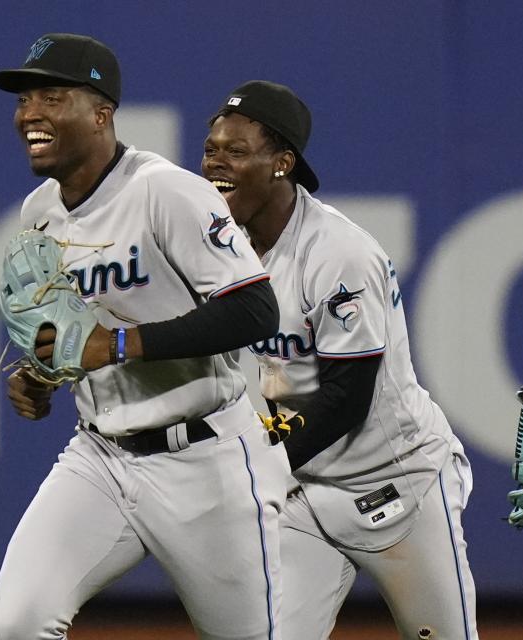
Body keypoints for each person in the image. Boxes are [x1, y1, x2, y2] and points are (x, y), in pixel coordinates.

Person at [0, 34, 289, 640]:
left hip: (206, 460)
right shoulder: (38, 211)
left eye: (51, 95)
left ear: (101, 113)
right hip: (99, 456)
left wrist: (118, 345)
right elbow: (73, 333)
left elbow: (256, 310)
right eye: (24, 99)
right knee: (18, 621)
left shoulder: (164, 190)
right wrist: (42, 375)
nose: (30, 114)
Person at [201, 80, 478, 639]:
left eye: (236, 151)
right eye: (211, 149)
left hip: (398, 484)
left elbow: (349, 397)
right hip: (305, 494)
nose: (216, 164)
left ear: (282, 163)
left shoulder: (337, 253)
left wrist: (260, 466)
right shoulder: (215, 247)